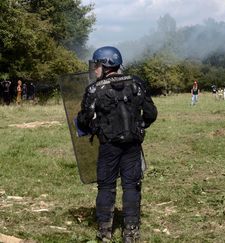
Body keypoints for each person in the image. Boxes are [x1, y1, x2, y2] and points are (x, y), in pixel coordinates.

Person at [76, 46, 157, 242]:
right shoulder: (136, 83)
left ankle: (104, 232)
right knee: (132, 185)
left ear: (105, 65)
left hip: (109, 146)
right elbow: (151, 113)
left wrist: (89, 124)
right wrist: (140, 126)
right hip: (132, 145)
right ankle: (131, 232)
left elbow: (84, 120)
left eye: (96, 64)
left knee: (106, 186)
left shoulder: (94, 89)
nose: (95, 69)